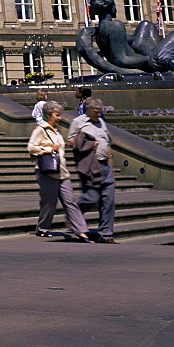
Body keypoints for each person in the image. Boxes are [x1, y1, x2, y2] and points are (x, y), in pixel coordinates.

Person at [27, 101, 90, 241]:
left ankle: (81, 231)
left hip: (62, 171)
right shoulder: (41, 129)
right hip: (48, 172)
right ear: (48, 115)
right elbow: (31, 147)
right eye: (57, 115)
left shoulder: (58, 130)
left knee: (70, 202)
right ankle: (43, 228)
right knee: (49, 203)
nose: (60, 118)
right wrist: (49, 149)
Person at [68, 98, 117, 243]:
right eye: (96, 112)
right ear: (87, 108)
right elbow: (70, 142)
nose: (98, 114)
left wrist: (111, 160)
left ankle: (106, 235)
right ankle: (73, 217)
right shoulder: (78, 122)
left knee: (108, 201)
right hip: (89, 165)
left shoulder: (101, 122)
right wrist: (88, 143)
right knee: (92, 198)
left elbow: (107, 142)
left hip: (105, 165)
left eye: (100, 112)